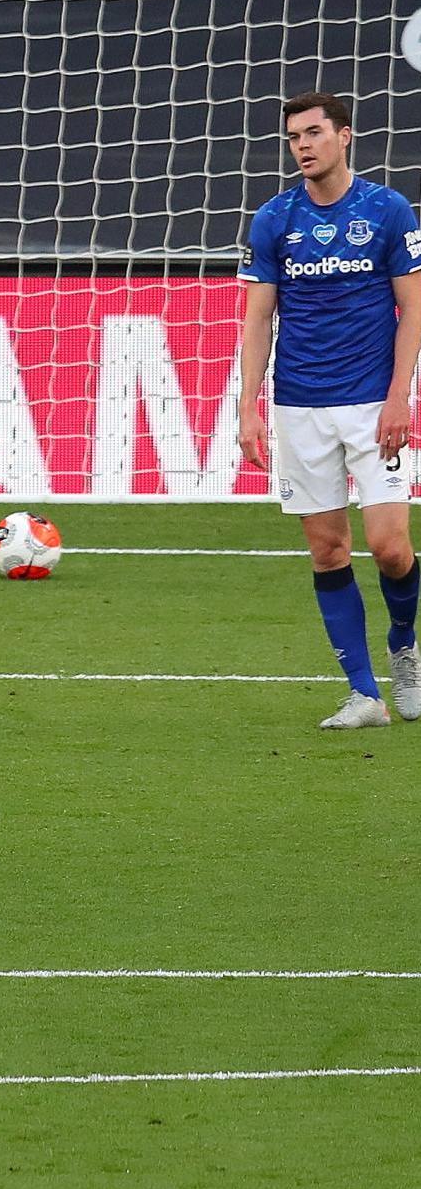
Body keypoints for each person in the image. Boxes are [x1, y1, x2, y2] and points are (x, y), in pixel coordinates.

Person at [237, 89, 421, 728]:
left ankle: (404, 644)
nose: (302, 147)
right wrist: (248, 409)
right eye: (293, 138)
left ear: (344, 135)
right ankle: (364, 694)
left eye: (313, 133)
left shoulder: (388, 210)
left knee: (391, 547)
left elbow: (412, 309)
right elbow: (258, 318)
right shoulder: (275, 219)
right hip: (299, 406)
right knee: (327, 551)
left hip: (374, 405)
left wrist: (400, 397)